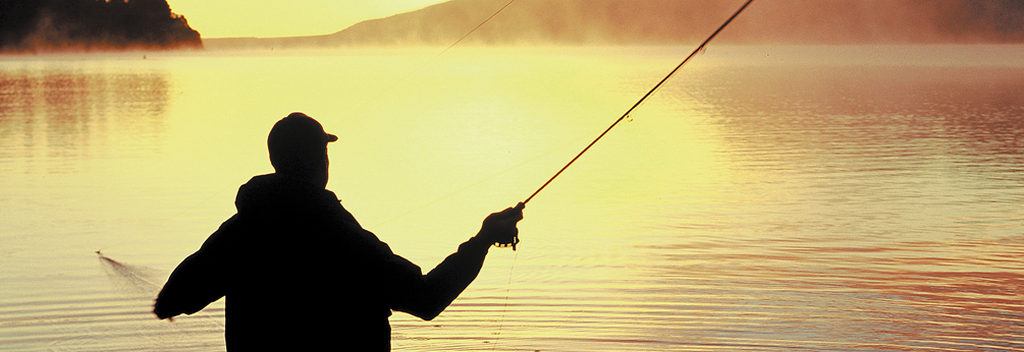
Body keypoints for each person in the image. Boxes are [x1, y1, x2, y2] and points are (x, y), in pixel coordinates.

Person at [153, 112, 524, 351]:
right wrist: (482, 241)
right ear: (321, 161)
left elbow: (172, 299)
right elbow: (426, 299)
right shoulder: (342, 238)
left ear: (274, 161)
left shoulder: (240, 233)